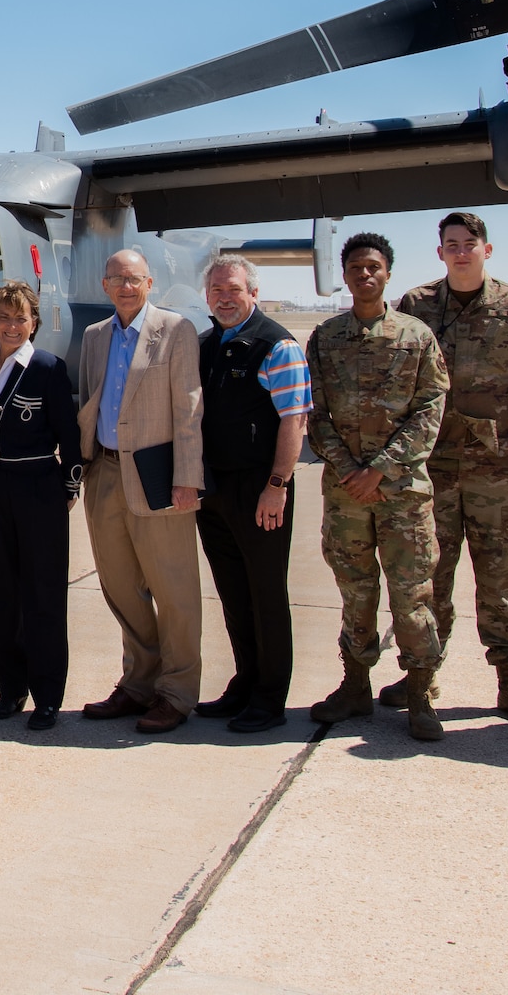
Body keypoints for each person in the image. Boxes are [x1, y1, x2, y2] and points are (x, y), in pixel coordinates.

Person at [390, 211, 508, 725]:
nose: (461, 251)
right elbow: (398, 377)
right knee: (429, 575)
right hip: (433, 465)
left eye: (470, 243)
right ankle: (424, 672)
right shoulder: (416, 305)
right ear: (440, 252)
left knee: (498, 576)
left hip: (497, 465)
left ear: (487, 250)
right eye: (451, 244)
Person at [305, 233, 450, 743]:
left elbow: (431, 407)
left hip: (403, 493)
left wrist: (381, 468)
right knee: (356, 592)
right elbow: (315, 412)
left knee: (412, 595)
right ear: (344, 276)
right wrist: (349, 468)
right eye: (356, 268)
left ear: (388, 273)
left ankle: (420, 692)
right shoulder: (325, 338)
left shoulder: (416, 336)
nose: (365, 275)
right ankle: (356, 684)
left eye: (374, 267)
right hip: (346, 494)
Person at [74, 249, 206, 734]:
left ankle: (177, 692)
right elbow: (90, 400)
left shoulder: (175, 331)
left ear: (149, 283)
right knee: (120, 588)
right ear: (105, 287)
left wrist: (188, 478)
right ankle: (139, 682)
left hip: (159, 475)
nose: (125, 287)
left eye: (134, 279)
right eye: (116, 280)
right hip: (104, 474)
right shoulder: (94, 337)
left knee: (174, 591)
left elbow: (190, 410)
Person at [193, 255, 312, 734]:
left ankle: (269, 697)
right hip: (214, 489)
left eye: (234, 290)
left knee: (265, 594)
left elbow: (294, 420)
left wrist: (278, 485)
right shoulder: (206, 346)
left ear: (253, 294)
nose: (224, 297)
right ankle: (244, 682)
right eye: (217, 290)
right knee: (233, 593)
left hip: (260, 488)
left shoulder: (276, 346)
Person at [0, 281, 84, 731]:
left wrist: (69, 487)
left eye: (20, 318)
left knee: (44, 595)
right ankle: (10, 688)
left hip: (38, 489)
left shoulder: (46, 367)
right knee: (5, 593)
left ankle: (48, 695)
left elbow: (69, 437)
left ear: (34, 323)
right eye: (3, 317)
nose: (11, 326)